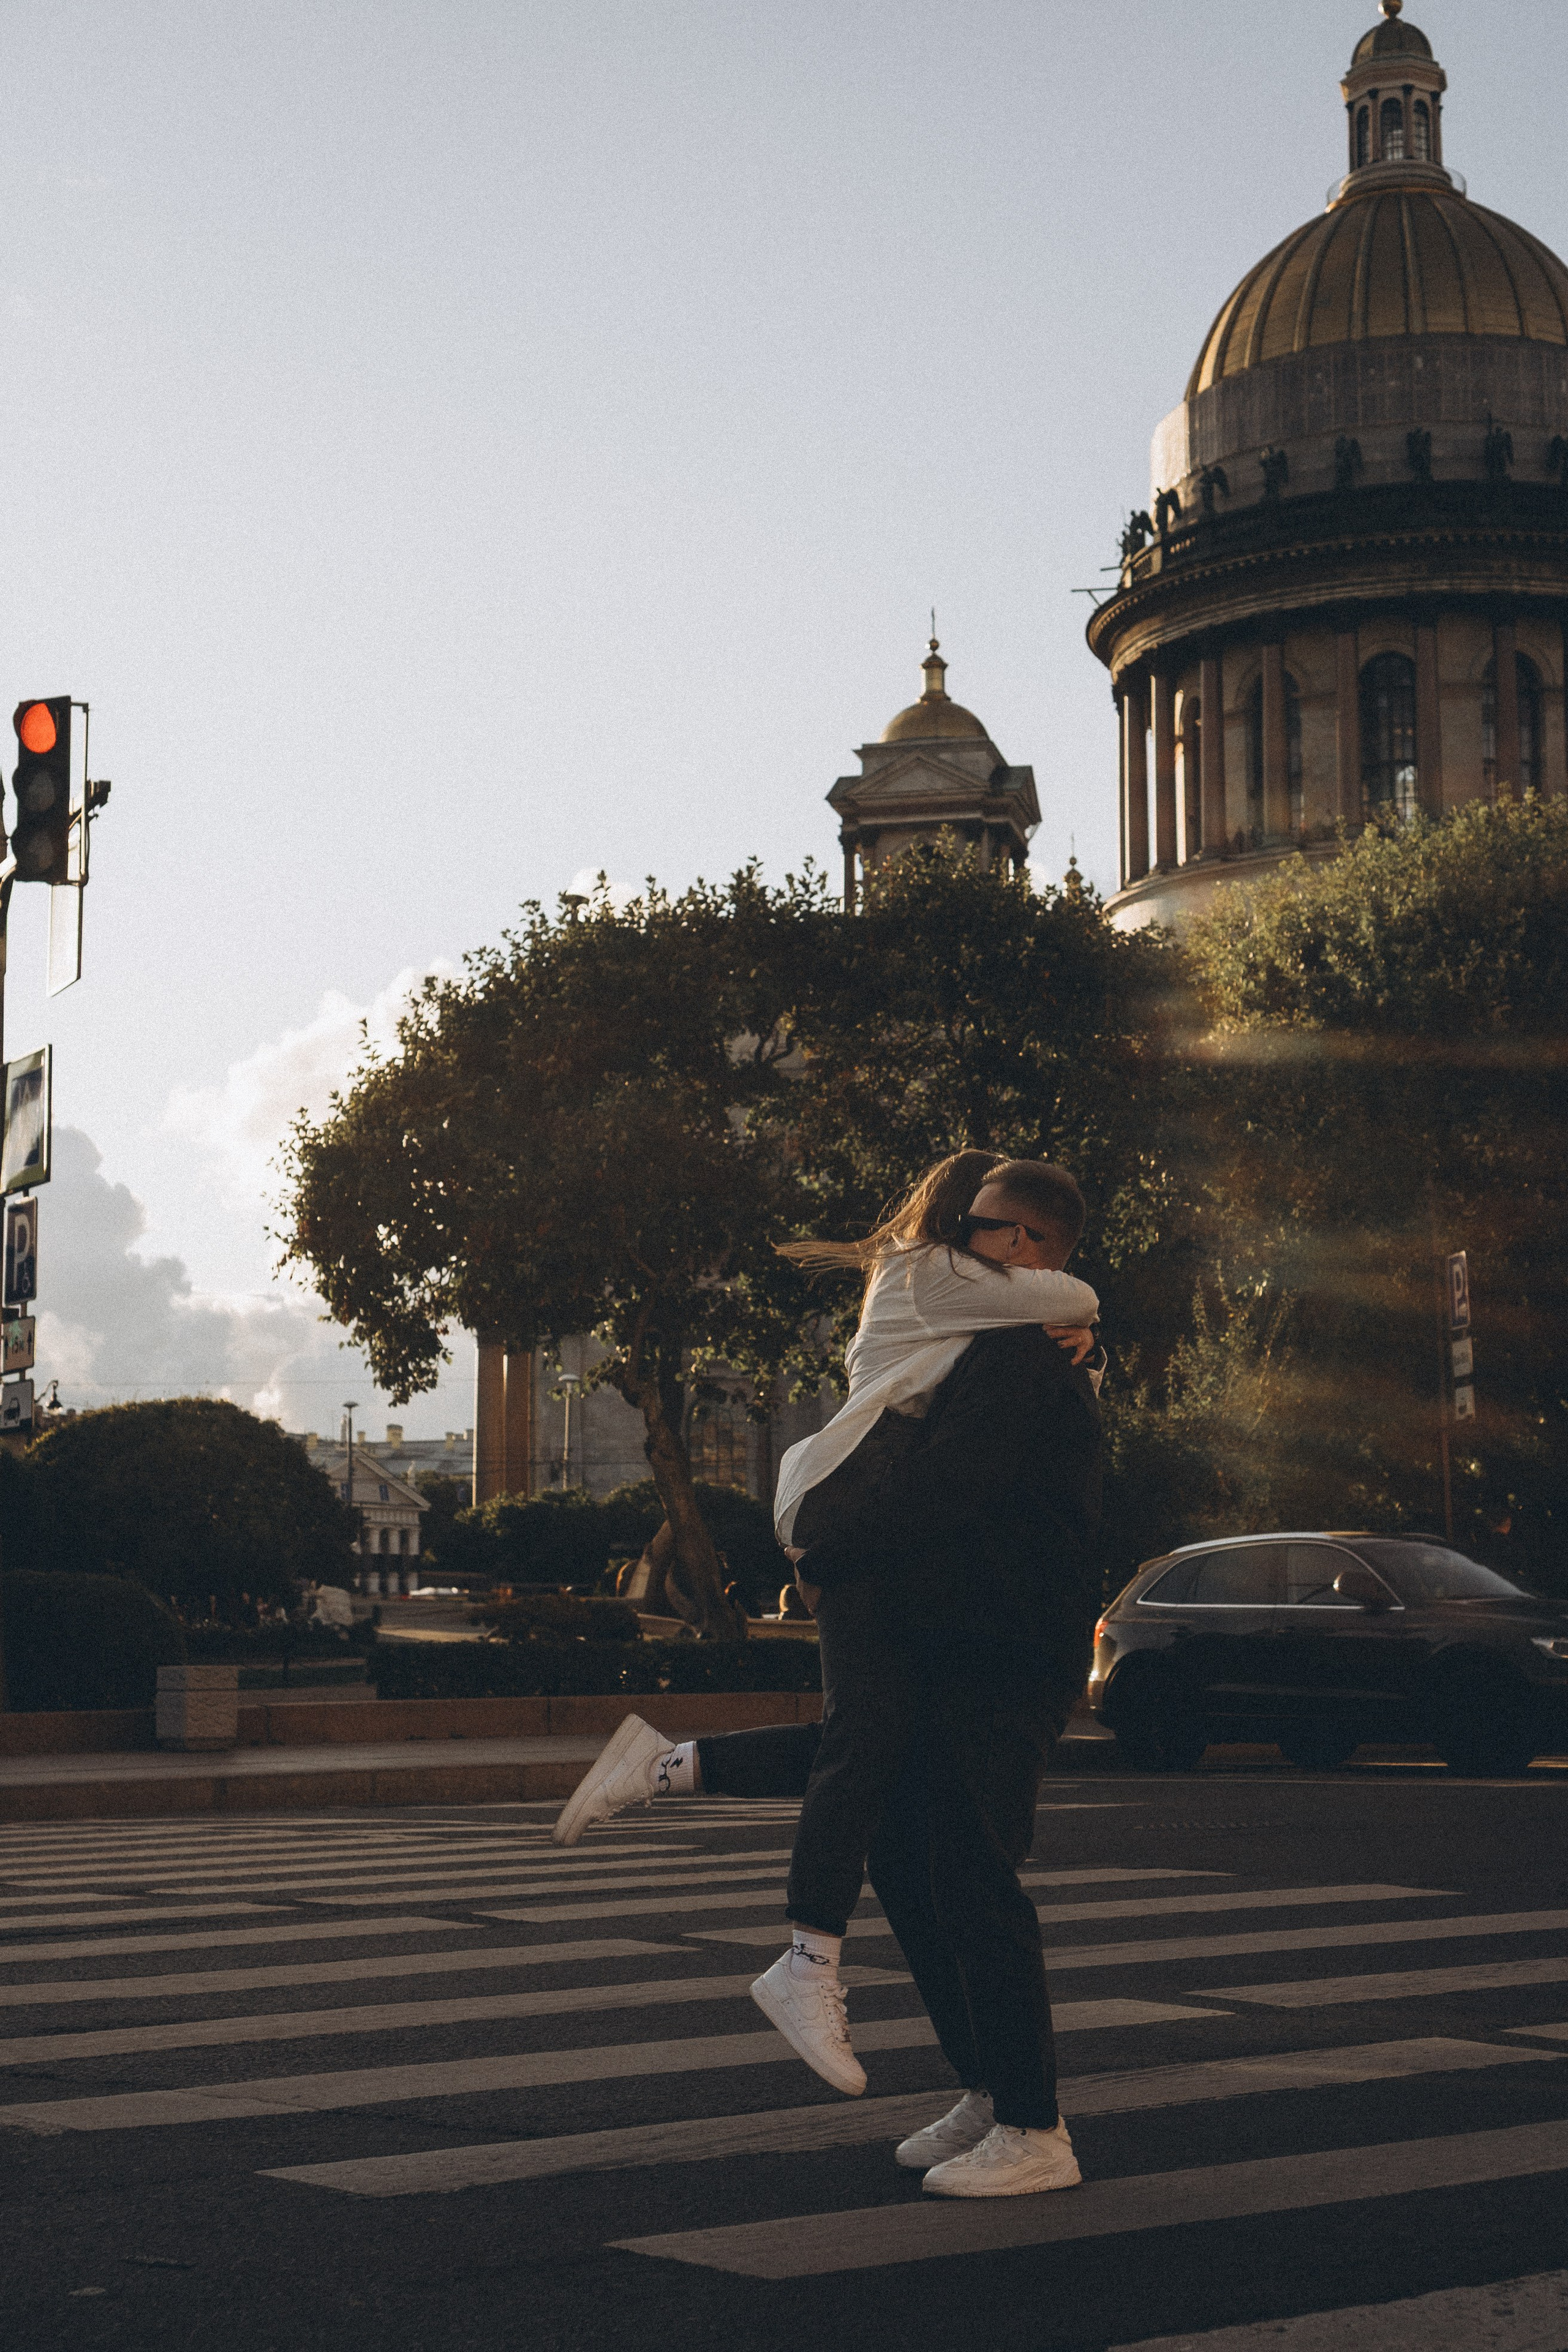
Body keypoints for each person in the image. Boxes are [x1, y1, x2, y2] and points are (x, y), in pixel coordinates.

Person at [552, 1155, 1105, 2197]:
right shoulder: (979, 1345)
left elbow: (948, 1491)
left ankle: (1037, 2129)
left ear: (1026, 1247)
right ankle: (991, 2091)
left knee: (973, 1874)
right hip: (961, 1635)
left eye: (978, 1227)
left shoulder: (1021, 1358)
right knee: (901, 1847)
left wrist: (827, 1556)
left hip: (1008, 1650)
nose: (953, 1239)